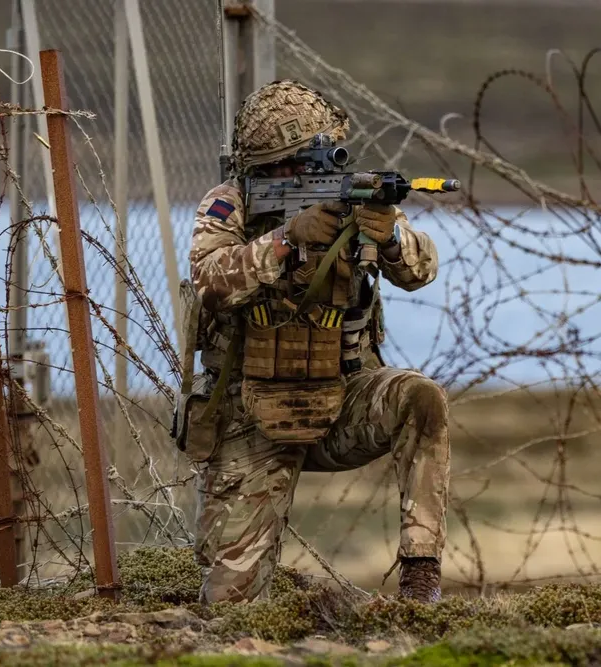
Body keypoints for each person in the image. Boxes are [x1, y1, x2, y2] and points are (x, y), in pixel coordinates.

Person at [173, 80, 450, 605]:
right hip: (250, 413)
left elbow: (420, 270)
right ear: (256, 169)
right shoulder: (228, 204)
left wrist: (388, 235)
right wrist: (286, 240)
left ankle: (420, 576)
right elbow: (207, 282)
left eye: (308, 162)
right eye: (283, 167)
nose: (300, 175)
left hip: (341, 398)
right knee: (231, 609)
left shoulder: (355, 197)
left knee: (421, 396)